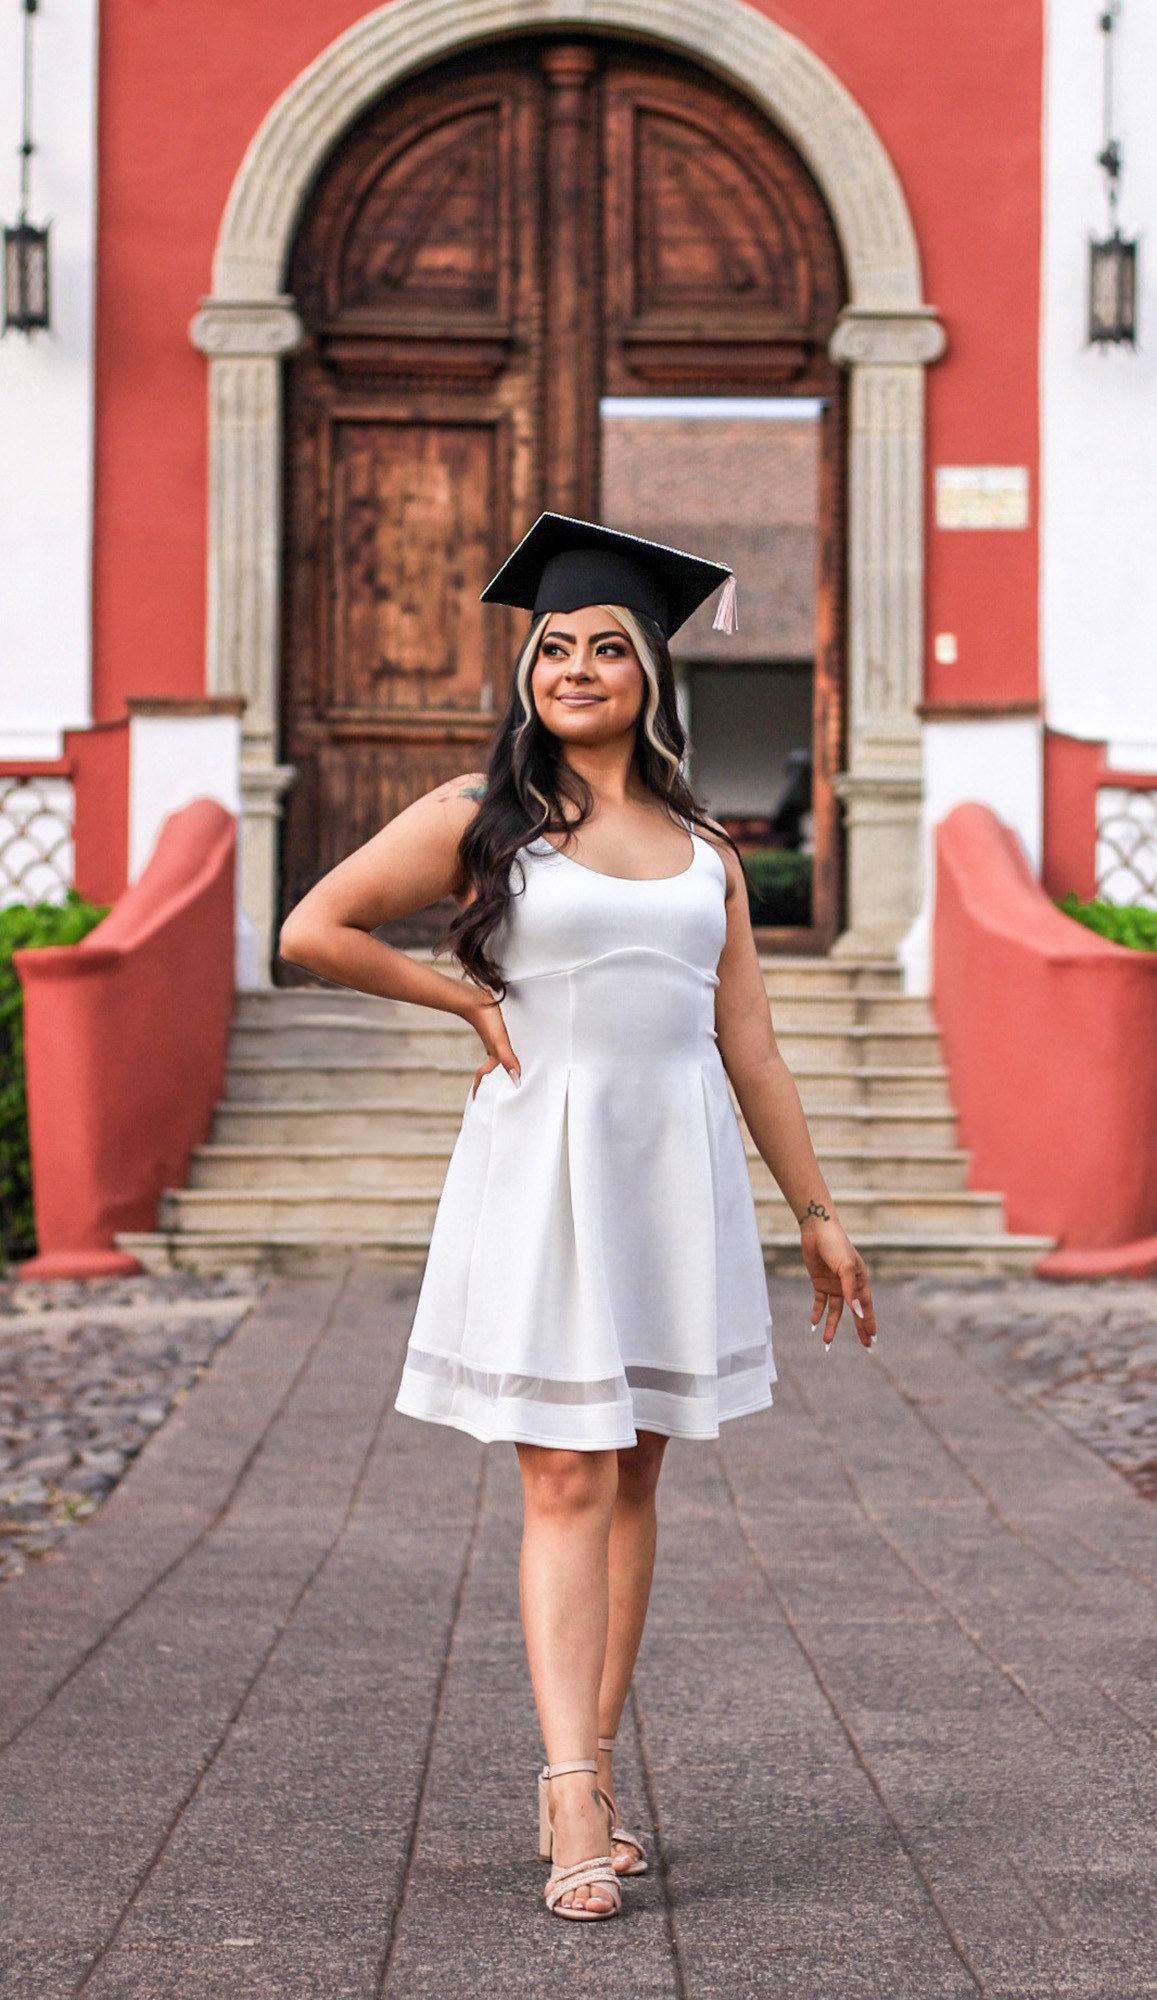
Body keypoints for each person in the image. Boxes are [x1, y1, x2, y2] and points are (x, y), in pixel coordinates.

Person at [278, 512, 878, 1924]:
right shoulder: (478, 817)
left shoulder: (705, 850)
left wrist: (817, 1212)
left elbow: (751, 1045)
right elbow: (313, 929)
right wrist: (464, 999)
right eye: (554, 648)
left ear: (649, 674)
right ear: (527, 672)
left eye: (608, 647)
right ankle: (570, 1797)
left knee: (635, 1476)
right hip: (542, 1173)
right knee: (561, 1475)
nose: (577, 668)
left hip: (670, 1176)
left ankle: (591, 1764)